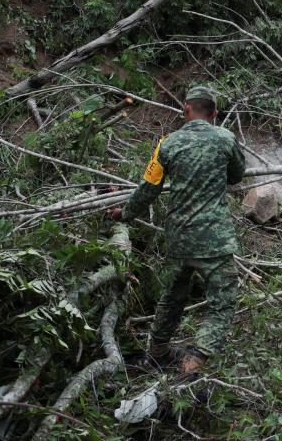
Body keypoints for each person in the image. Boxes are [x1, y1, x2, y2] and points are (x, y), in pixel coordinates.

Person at [108, 86, 245, 374]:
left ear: (186, 109)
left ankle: (157, 351)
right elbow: (236, 175)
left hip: (179, 238)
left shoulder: (167, 144)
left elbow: (148, 188)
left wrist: (126, 213)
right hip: (214, 240)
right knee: (222, 300)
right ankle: (195, 360)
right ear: (214, 114)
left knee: (173, 295)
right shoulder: (225, 138)